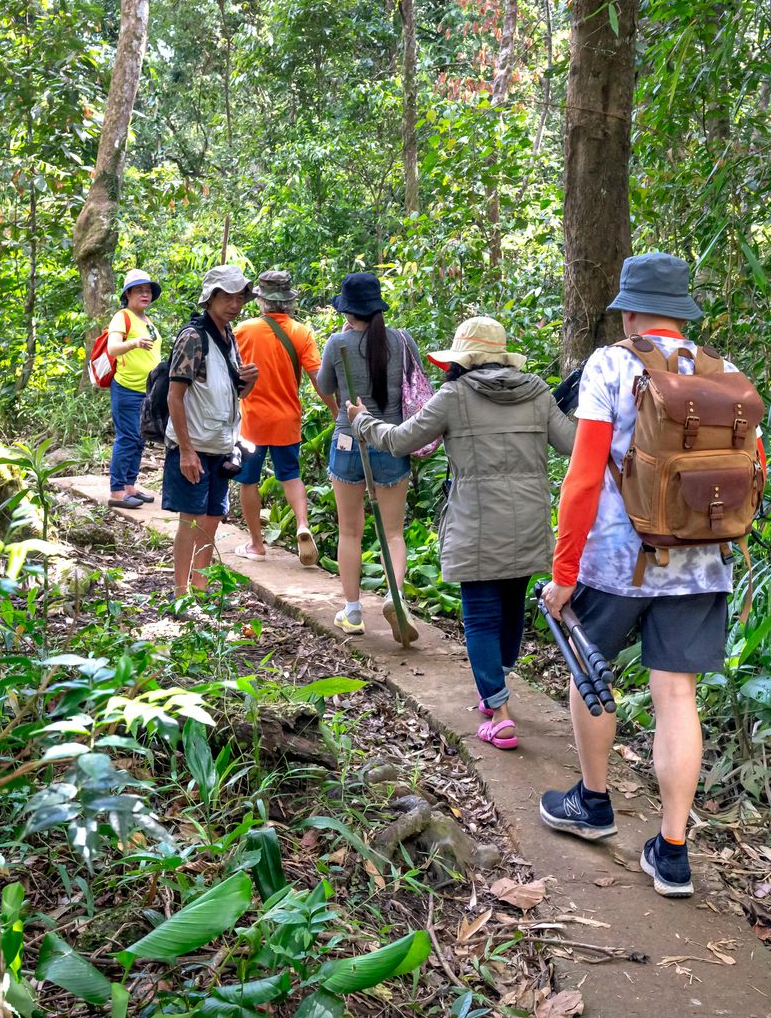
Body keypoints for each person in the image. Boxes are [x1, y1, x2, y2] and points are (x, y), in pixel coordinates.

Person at [538, 253, 761, 899]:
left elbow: (582, 479)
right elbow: (748, 472)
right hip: (702, 564)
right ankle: (672, 850)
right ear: (683, 311)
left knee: (592, 672)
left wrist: (563, 571)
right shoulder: (724, 374)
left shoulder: (611, 364)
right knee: (676, 696)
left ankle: (595, 800)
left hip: (616, 563)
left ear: (630, 311)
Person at [349, 316, 574, 750]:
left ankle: (500, 712)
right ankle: (497, 688)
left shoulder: (454, 396)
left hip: (476, 523)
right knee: (511, 607)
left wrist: (362, 421)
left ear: (462, 359)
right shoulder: (538, 393)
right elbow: (573, 442)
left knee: (481, 618)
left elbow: (399, 441)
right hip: (528, 519)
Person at [312, 271, 421, 638]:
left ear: (347, 310)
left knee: (350, 531)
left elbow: (325, 386)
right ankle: (395, 597)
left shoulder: (337, 343)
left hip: (347, 441)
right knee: (392, 533)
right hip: (391, 440)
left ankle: (353, 612)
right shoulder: (402, 341)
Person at [164, 265, 259, 594]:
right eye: (227, 297)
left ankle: (201, 587)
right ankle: (180, 591)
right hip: (195, 445)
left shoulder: (227, 335)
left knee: (212, 518)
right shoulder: (193, 337)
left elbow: (231, 393)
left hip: (221, 444)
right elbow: (175, 396)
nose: (235, 304)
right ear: (211, 298)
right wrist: (186, 452)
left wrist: (249, 383)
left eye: (239, 297)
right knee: (190, 520)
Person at [231, 269, 321, 566]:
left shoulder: (242, 330)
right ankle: (302, 524)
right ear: (288, 300)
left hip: (252, 420)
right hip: (287, 418)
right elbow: (317, 377)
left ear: (261, 300)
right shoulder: (301, 332)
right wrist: (336, 411)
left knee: (248, 481)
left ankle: (257, 545)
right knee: (291, 476)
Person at [106, 269, 163, 509]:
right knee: (128, 437)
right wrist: (135, 343)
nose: (145, 294)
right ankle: (117, 492)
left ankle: (130, 486)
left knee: (140, 439)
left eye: (148, 290)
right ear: (128, 293)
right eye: (139, 290)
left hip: (147, 390)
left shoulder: (147, 321)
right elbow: (112, 348)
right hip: (127, 389)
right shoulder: (123, 316)